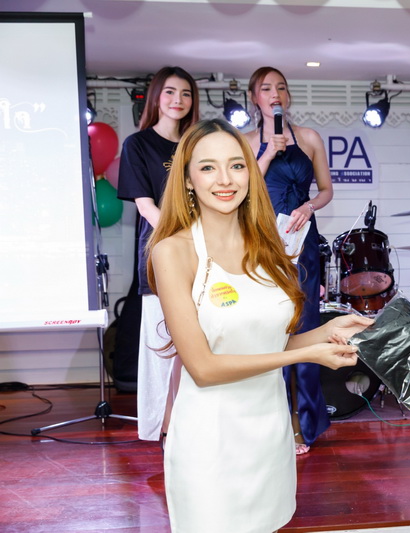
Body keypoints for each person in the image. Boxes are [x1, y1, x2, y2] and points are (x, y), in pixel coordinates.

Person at [146, 118, 370, 532]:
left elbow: (268, 343)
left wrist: (330, 330)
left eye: (236, 165)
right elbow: (203, 367)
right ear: (189, 179)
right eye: (208, 167)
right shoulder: (173, 251)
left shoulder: (269, 247)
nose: (225, 179)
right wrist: (310, 352)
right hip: (210, 444)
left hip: (270, 439)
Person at [245, 66, 334, 455]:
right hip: (264, 243)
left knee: (306, 328)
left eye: (280, 87)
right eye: (266, 88)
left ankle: (306, 423)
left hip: (302, 242)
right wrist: (268, 152)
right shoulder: (246, 142)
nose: (275, 93)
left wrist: (309, 206)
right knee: (271, 332)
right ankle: (275, 422)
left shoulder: (309, 138)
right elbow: (244, 189)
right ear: (255, 98)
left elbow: (326, 189)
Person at [117, 66, 199, 442]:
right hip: (161, 254)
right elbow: (146, 206)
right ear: (156, 97)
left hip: (203, 255)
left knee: (194, 346)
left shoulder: (196, 145)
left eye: (185, 93)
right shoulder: (137, 144)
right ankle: (165, 429)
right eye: (170, 92)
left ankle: (189, 426)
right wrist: (182, 235)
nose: (178, 100)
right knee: (162, 348)